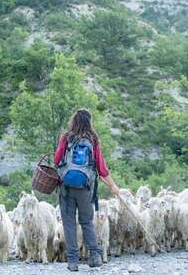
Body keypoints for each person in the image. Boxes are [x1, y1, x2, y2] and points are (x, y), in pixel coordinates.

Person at [54, 108, 120, 272]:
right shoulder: (93, 139)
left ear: (73, 121)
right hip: (85, 187)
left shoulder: (66, 137)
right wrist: (113, 185)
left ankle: (73, 261)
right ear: (89, 122)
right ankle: (95, 256)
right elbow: (102, 168)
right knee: (86, 221)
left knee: (68, 223)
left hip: (66, 187)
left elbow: (56, 159)